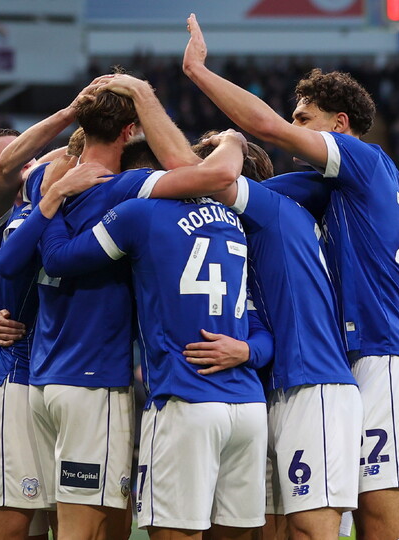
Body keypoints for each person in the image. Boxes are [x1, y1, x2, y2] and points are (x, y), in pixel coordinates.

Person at [183, 15, 399, 540]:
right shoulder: (324, 190)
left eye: (305, 117)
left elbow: (268, 130)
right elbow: (233, 189)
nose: (294, 126)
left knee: (383, 528)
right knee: (339, 524)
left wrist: (199, 73)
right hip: (350, 364)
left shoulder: (366, 163)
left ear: (340, 125)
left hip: (384, 359)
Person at [38, 130, 268, 540]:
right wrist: (247, 351)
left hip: (186, 401)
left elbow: (57, 259)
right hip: (248, 406)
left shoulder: (138, 214)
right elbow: (262, 331)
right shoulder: (233, 224)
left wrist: (52, 199)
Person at [179, 136, 363, 540]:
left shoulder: (274, 210)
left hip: (313, 386)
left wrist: (230, 140)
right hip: (272, 392)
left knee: (311, 529)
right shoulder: (244, 240)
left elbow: (214, 178)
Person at [0, 82, 100, 540]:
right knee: (11, 528)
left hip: (45, 381)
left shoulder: (54, 218)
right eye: (20, 158)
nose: (29, 163)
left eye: (31, 157)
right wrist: (72, 111)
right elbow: (9, 167)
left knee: (52, 526)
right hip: (2, 383)